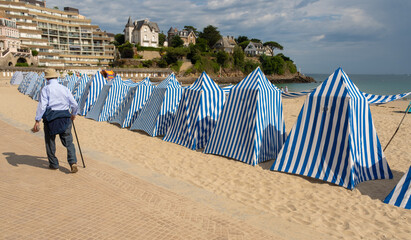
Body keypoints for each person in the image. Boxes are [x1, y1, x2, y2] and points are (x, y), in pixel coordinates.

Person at [32, 69, 79, 173]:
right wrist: (73, 114)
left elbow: (42, 105)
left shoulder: (46, 89)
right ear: (56, 77)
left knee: (50, 142)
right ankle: (73, 162)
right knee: (69, 142)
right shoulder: (64, 88)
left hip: (51, 118)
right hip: (65, 117)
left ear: (47, 78)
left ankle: (54, 164)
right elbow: (74, 104)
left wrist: (37, 120)